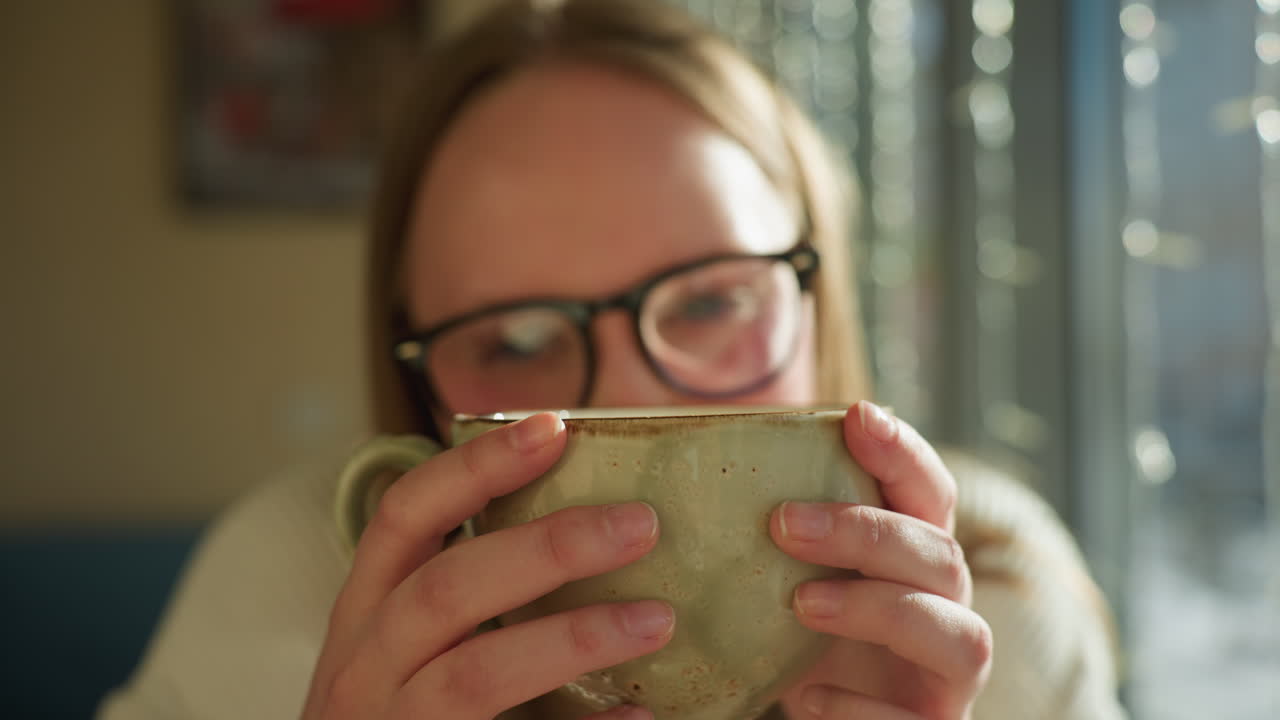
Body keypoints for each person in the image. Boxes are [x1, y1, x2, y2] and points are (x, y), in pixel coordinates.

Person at [99, 1, 1126, 718]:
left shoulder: (996, 611)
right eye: (514, 341)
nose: (636, 401)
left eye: (716, 299)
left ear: (820, 304)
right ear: (416, 379)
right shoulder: (280, 592)